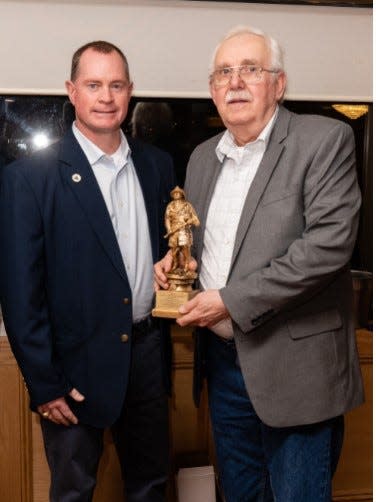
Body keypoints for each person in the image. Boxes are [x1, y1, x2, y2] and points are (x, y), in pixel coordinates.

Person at [154, 25, 364, 502]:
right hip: (224, 367)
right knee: (241, 495)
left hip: (295, 367)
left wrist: (227, 301)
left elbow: (327, 247)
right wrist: (176, 259)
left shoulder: (323, 139)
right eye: (224, 72)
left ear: (279, 83)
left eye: (251, 69)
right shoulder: (204, 158)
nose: (235, 82)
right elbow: (214, 243)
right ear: (211, 89)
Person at [0, 41, 175, 501]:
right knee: (74, 492)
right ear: (71, 91)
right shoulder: (30, 179)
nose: (106, 97)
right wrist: (44, 384)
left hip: (147, 359)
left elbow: (167, 253)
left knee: (152, 487)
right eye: (94, 85)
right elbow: (21, 293)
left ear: (131, 91)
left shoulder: (157, 166)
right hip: (71, 371)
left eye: (116, 85)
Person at [164, 186, 200, 273]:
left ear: (181, 194)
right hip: (174, 230)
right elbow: (167, 219)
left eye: (178, 193)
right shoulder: (170, 206)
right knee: (174, 250)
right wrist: (169, 229)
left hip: (184, 230)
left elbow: (195, 219)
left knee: (185, 249)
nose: (176, 194)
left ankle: (187, 263)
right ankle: (175, 264)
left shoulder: (187, 205)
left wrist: (189, 221)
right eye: (175, 193)